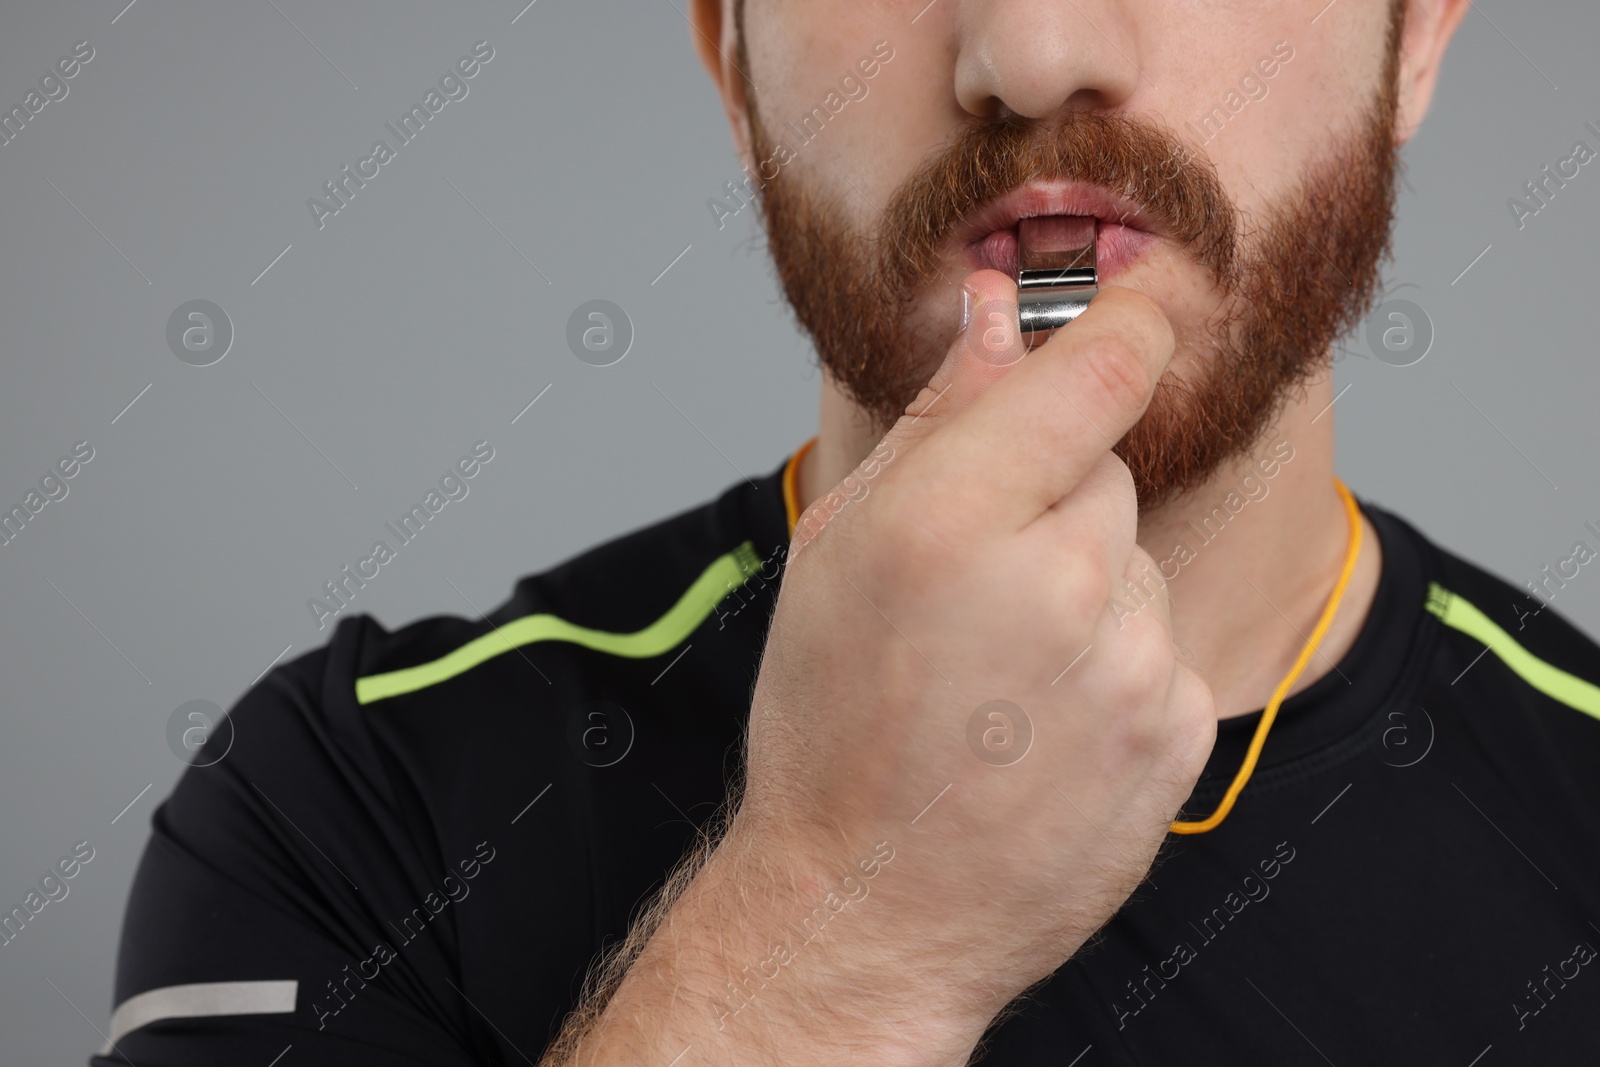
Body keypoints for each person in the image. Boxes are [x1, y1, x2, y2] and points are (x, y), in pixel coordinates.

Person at [97, 1, 1600, 1064]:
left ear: (1415, 34)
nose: (1033, 50)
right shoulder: (349, 811)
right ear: (730, 60)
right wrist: (838, 949)